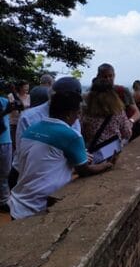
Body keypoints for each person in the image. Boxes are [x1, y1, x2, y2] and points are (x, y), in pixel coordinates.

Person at [7, 91, 114, 220]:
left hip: (18, 202)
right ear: (69, 114)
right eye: (78, 113)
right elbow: (85, 170)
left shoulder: (31, 129)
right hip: (40, 206)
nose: (79, 117)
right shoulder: (71, 135)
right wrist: (107, 165)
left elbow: (44, 162)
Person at [16, 77, 84, 169]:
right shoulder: (28, 117)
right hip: (28, 172)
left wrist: (80, 154)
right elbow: (23, 152)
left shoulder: (73, 116)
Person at [82, 79, 132, 150]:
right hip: (113, 150)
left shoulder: (86, 113)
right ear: (112, 95)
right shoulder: (118, 112)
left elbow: (82, 133)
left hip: (94, 153)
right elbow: (127, 133)